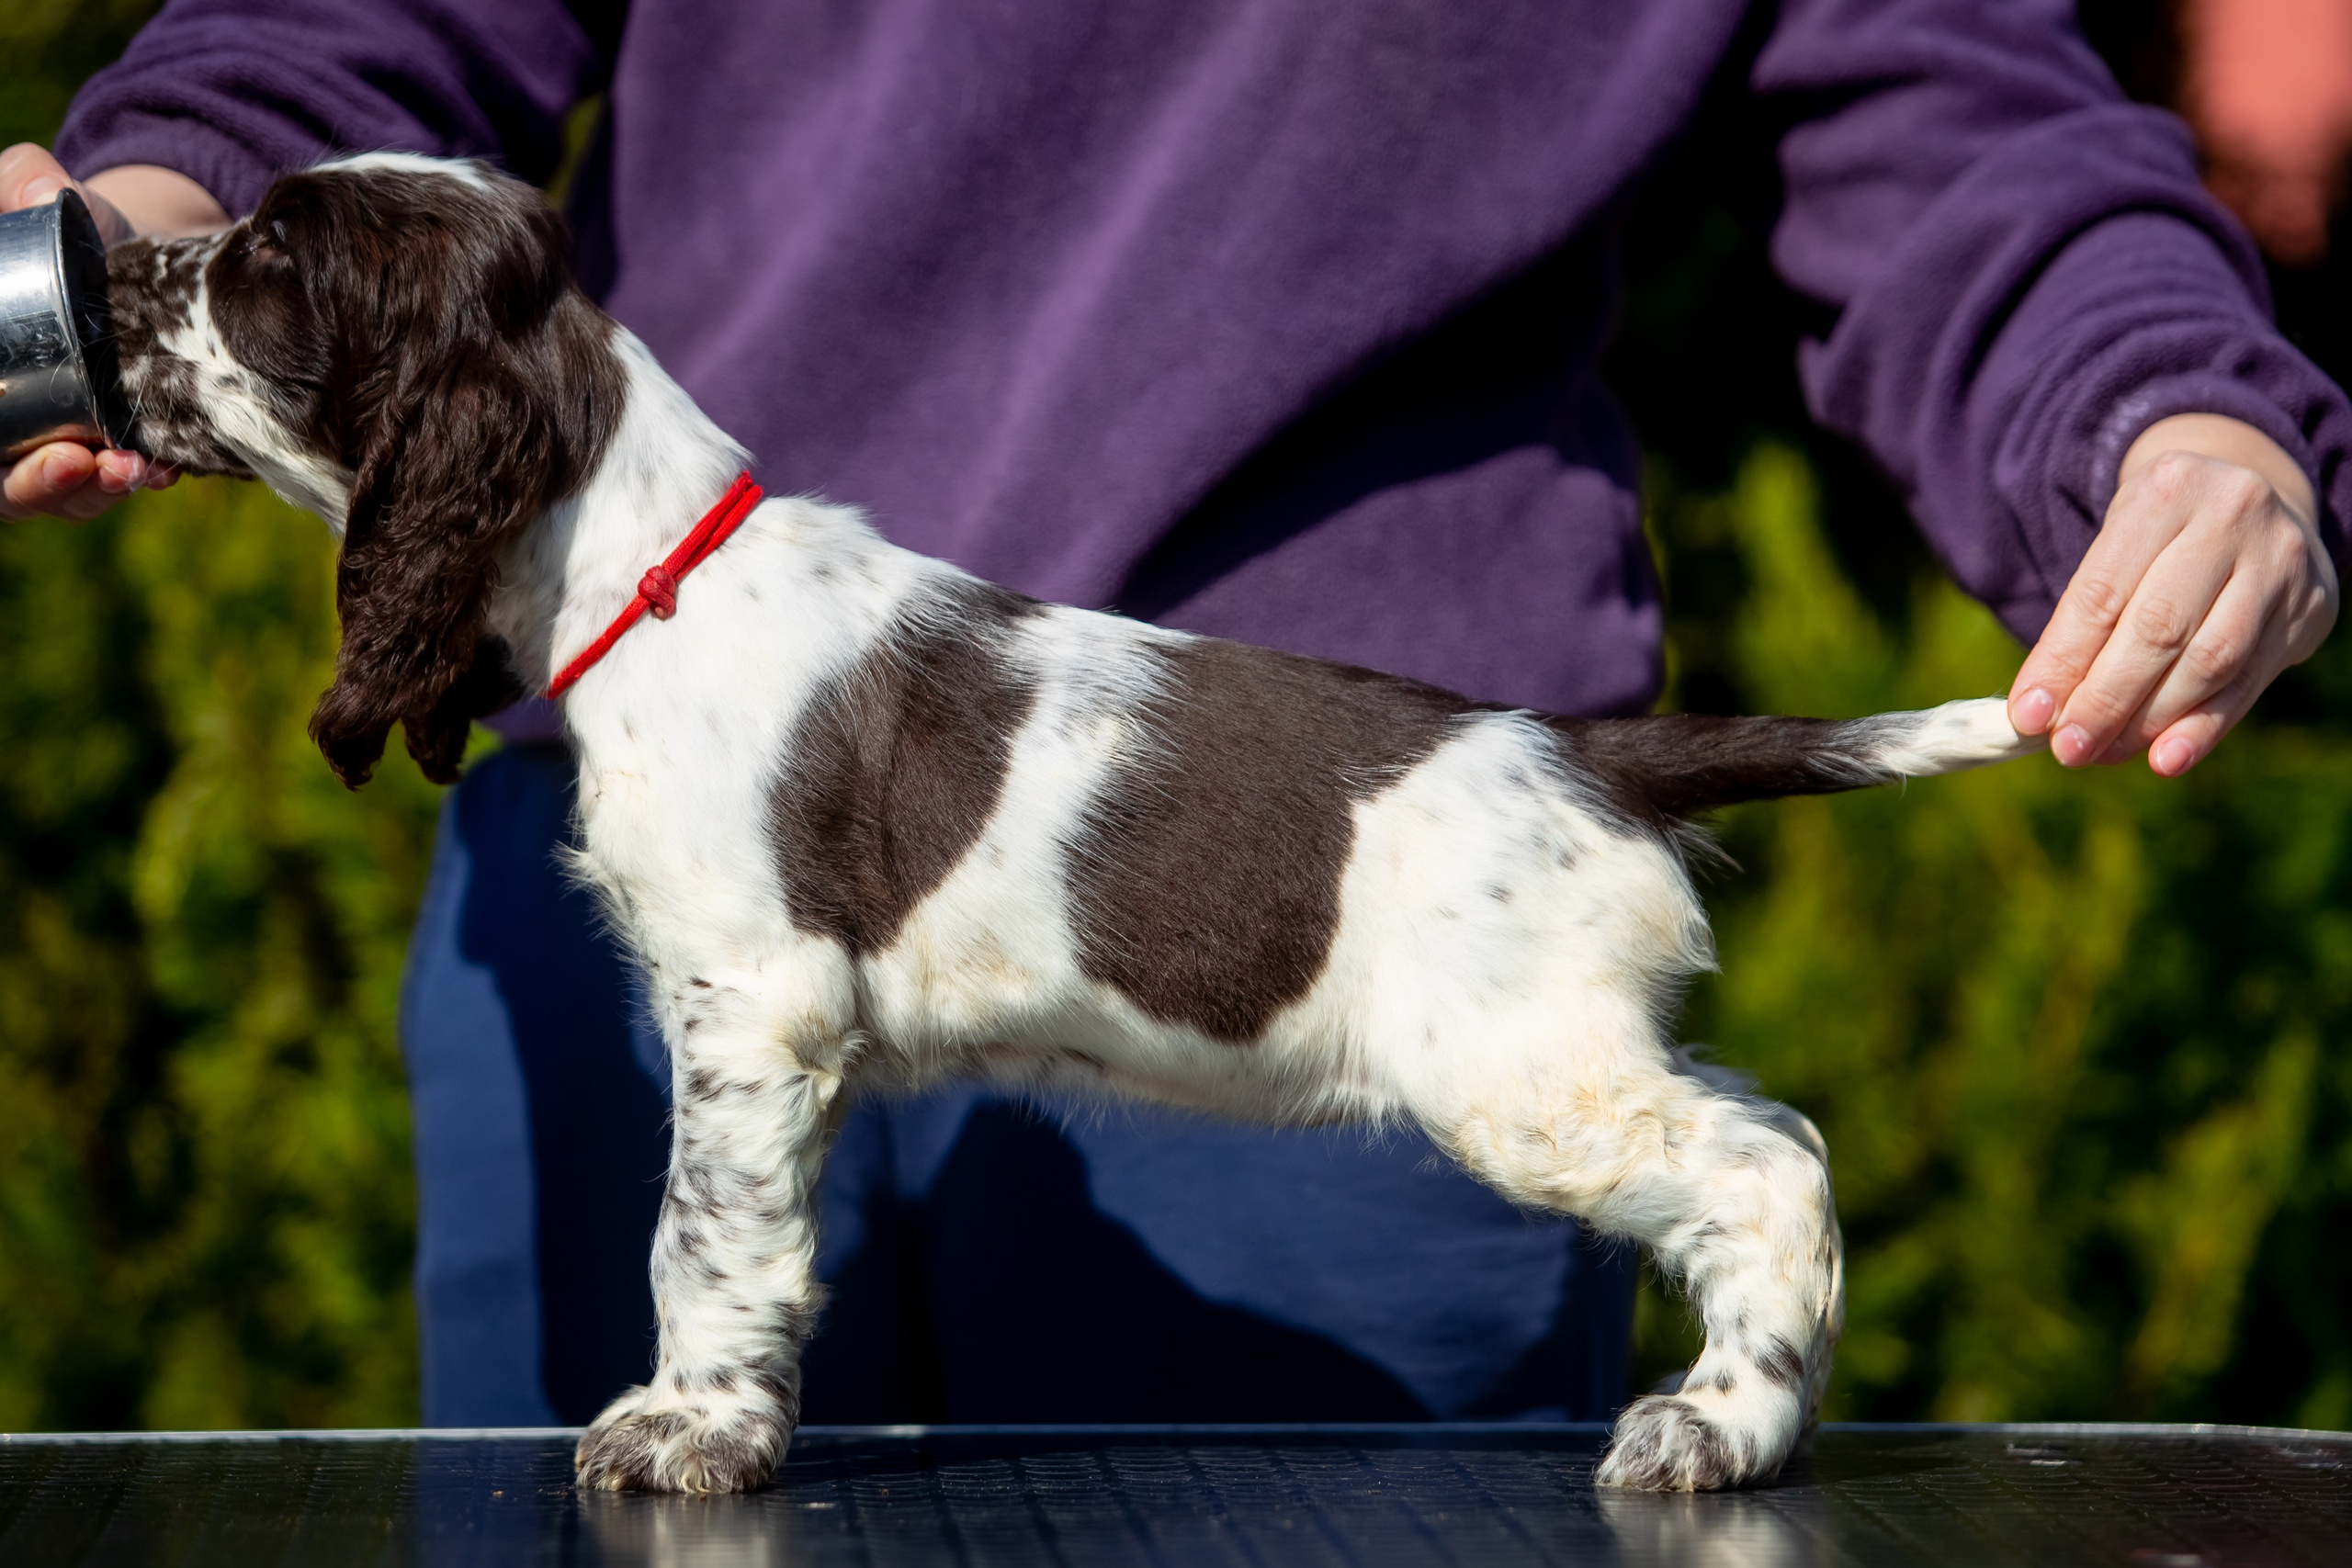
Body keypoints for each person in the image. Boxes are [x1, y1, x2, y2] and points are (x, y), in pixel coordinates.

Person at [2, 0, 2340, 1428]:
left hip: (1306, 888)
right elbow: (352, 10)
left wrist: (2168, 415)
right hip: (631, 805)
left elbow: (1956, 114)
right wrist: (143, 223)